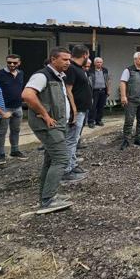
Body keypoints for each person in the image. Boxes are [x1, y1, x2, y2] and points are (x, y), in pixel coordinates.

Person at [21, 47, 74, 214]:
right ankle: (48, 200)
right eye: (64, 59)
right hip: (49, 125)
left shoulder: (58, 77)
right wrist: (44, 114)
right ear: (53, 59)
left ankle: (47, 195)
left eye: (69, 59)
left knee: (51, 160)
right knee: (62, 159)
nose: (68, 62)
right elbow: (28, 95)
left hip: (57, 124)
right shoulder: (42, 75)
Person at [62, 45, 92, 182]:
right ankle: (66, 171)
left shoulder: (78, 68)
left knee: (74, 140)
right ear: (85, 55)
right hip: (76, 111)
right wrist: (73, 110)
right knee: (71, 140)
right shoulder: (72, 69)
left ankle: (73, 165)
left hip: (81, 110)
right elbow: (68, 91)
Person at [0, 54, 27, 163]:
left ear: (19, 63)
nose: (12, 65)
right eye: (9, 62)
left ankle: (15, 150)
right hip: (4, 107)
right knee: (1, 132)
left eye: (14, 62)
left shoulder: (21, 73)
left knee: (16, 130)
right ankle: (1, 154)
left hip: (18, 106)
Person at [119, 51, 140, 149]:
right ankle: (126, 140)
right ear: (135, 60)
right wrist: (123, 96)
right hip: (132, 100)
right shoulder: (129, 70)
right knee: (129, 121)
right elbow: (122, 83)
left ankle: (138, 138)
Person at [87, 57, 109, 128]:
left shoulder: (105, 70)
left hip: (103, 91)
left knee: (101, 107)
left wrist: (108, 90)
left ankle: (98, 120)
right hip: (94, 91)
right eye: (98, 62)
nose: (99, 64)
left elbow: (107, 80)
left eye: (100, 62)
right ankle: (90, 121)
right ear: (94, 63)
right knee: (93, 107)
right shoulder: (90, 71)